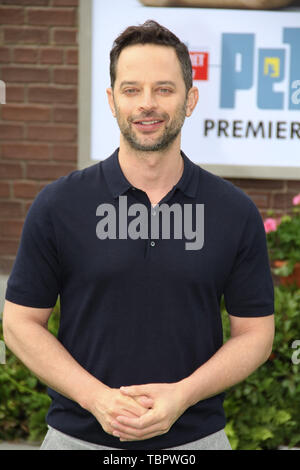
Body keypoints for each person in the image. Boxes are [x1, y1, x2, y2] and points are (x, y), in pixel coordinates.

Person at [3, 20, 275, 451]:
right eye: (132, 90)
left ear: (191, 99)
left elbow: (256, 334)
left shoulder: (233, 212)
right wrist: (98, 400)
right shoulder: (59, 205)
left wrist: (182, 395)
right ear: (112, 101)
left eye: (164, 89)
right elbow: (20, 323)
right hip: (77, 439)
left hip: (195, 440)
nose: (147, 104)